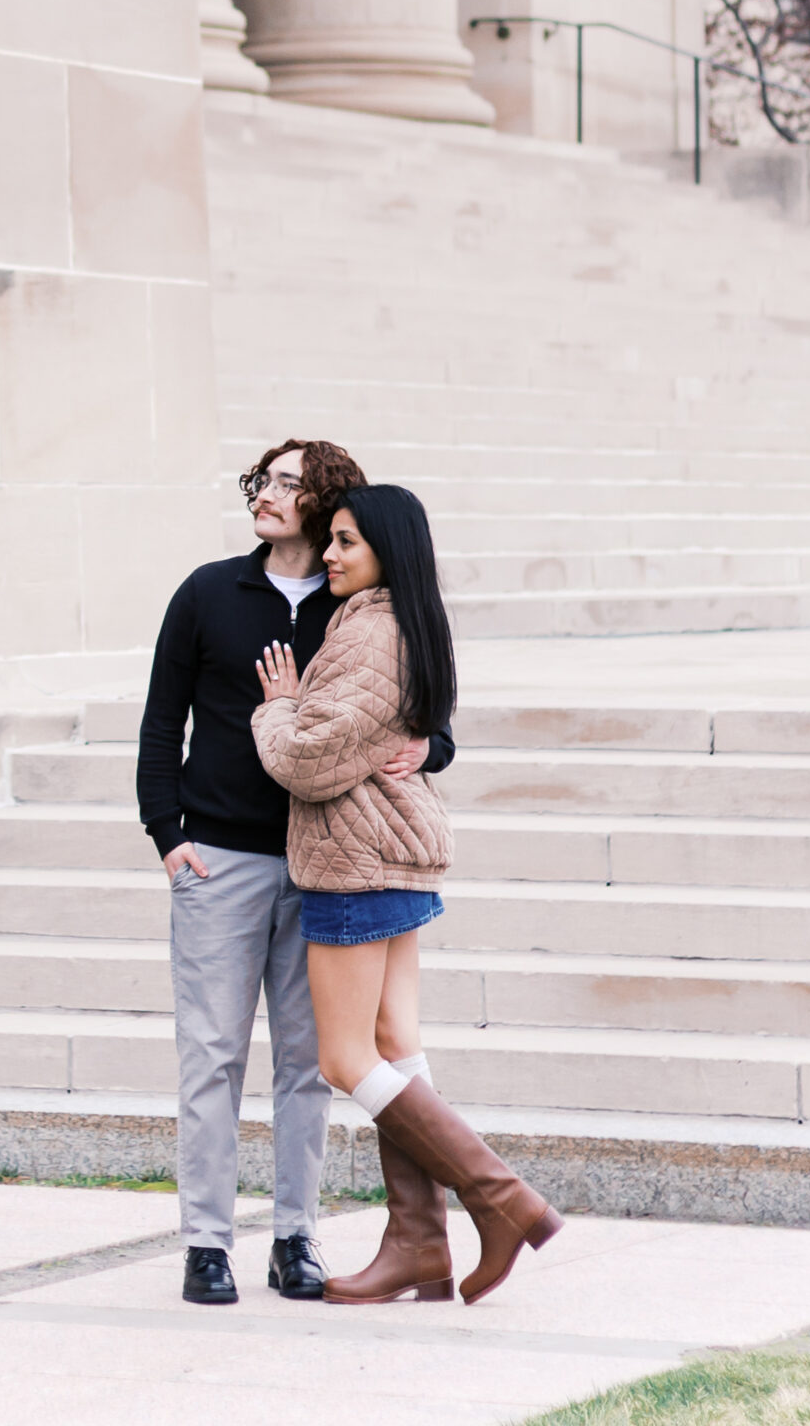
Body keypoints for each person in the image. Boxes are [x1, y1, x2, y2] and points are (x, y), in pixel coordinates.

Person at [136, 440, 457, 1307]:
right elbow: (162, 721)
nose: (267, 496)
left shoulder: (353, 604)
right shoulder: (208, 591)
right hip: (220, 858)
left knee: (309, 1063)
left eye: (289, 484)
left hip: (324, 868)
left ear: (325, 506)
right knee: (209, 1056)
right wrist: (165, 831)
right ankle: (206, 1244)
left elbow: (420, 710)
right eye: (263, 480)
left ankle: (294, 1236)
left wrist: (434, 746)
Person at [253, 483, 563, 1307]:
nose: (329, 554)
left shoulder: (370, 635)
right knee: (394, 1046)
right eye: (331, 541)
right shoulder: (398, 624)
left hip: (354, 861)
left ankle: (500, 1198)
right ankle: (421, 1242)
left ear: (386, 549)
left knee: (344, 1058)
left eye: (346, 542)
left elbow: (307, 761)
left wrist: (278, 708)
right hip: (391, 854)